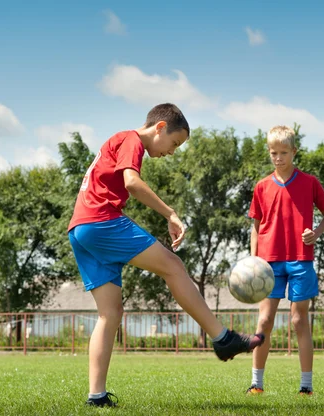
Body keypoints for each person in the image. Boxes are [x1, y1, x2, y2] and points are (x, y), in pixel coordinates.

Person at [67, 103, 265, 408]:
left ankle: (97, 396)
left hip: (80, 230)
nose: (172, 152)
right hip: (101, 222)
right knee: (173, 266)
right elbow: (131, 183)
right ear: (159, 127)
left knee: (109, 314)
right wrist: (170, 214)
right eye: (174, 143)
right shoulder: (131, 139)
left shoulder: (117, 141)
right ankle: (223, 338)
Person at [246, 125, 324, 396]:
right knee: (264, 321)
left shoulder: (310, 183)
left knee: (299, 321)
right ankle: (256, 384)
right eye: (274, 152)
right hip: (269, 263)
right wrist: (253, 260)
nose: (278, 158)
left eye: (284, 152)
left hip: (300, 260)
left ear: (294, 152)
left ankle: (306, 387)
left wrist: (315, 233)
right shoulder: (261, 186)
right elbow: (255, 226)